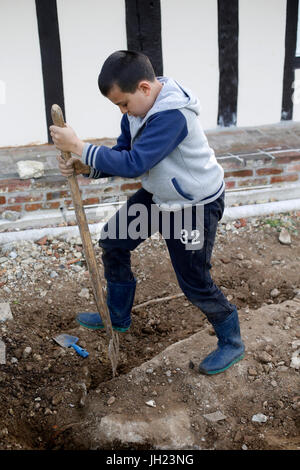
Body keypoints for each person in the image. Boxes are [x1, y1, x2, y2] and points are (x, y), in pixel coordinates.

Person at [50, 50, 245, 375]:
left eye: (123, 104)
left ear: (143, 87)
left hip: (192, 207)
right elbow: (126, 152)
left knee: (195, 281)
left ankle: (232, 341)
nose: (123, 111)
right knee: (114, 240)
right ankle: (117, 314)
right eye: (118, 107)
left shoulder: (172, 116)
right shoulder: (138, 110)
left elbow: (135, 164)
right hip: (160, 196)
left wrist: (80, 146)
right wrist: (86, 165)